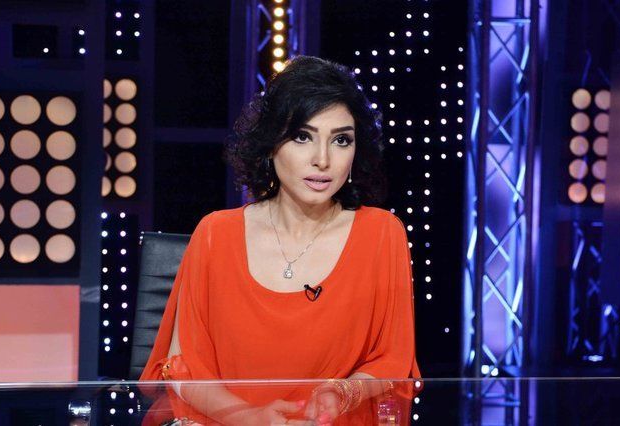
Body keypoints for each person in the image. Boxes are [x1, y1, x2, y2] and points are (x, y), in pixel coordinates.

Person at [140, 56, 421, 425]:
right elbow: (185, 370)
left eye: (341, 140)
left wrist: (341, 393)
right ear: (271, 143)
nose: (323, 160)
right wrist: (252, 419)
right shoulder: (215, 234)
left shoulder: (382, 234)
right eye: (302, 137)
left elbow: (393, 361)